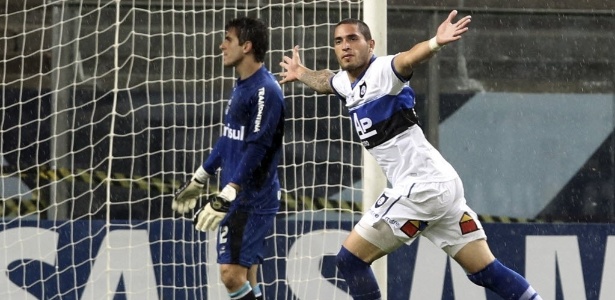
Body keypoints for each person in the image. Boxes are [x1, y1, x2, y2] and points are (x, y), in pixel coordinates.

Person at [279, 10, 542, 300]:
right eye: (339, 41)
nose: (345, 45)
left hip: (420, 188)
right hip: (441, 186)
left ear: (371, 44)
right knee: (486, 272)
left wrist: (435, 43)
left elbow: (408, 58)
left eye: (353, 39)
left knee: (350, 260)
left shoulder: (383, 71)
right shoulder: (346, 82)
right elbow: (326, 81)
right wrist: (301, 73)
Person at [172, 16, 285, 300]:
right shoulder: (243, 84)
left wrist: (230, 191)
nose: (221, 45)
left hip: (251, 197)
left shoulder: (265, 91)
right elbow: (229, 137)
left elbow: (258, 149)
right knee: (246, 273)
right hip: (241, 193)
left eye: (228, 39)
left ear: (246, 46)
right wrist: (202, 175)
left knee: (231, 275)